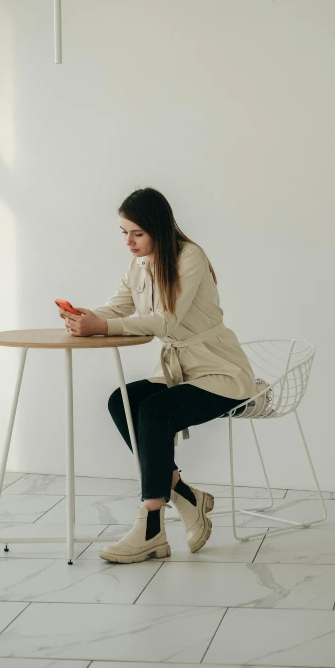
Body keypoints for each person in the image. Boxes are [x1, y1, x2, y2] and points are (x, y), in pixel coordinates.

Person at [59, 187, 267, 564]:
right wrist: (85, 317)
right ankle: (185, 495)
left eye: (137, 233)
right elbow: (118, 306)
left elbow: (166, 319)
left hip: (220, 372)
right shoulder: (138, 265)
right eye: (124, 232)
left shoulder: (190, 257)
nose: (129, 242)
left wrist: (101, 328)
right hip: (178, 371)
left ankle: (151, 528)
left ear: (157, 227)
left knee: (154, 412)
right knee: (122, 401)